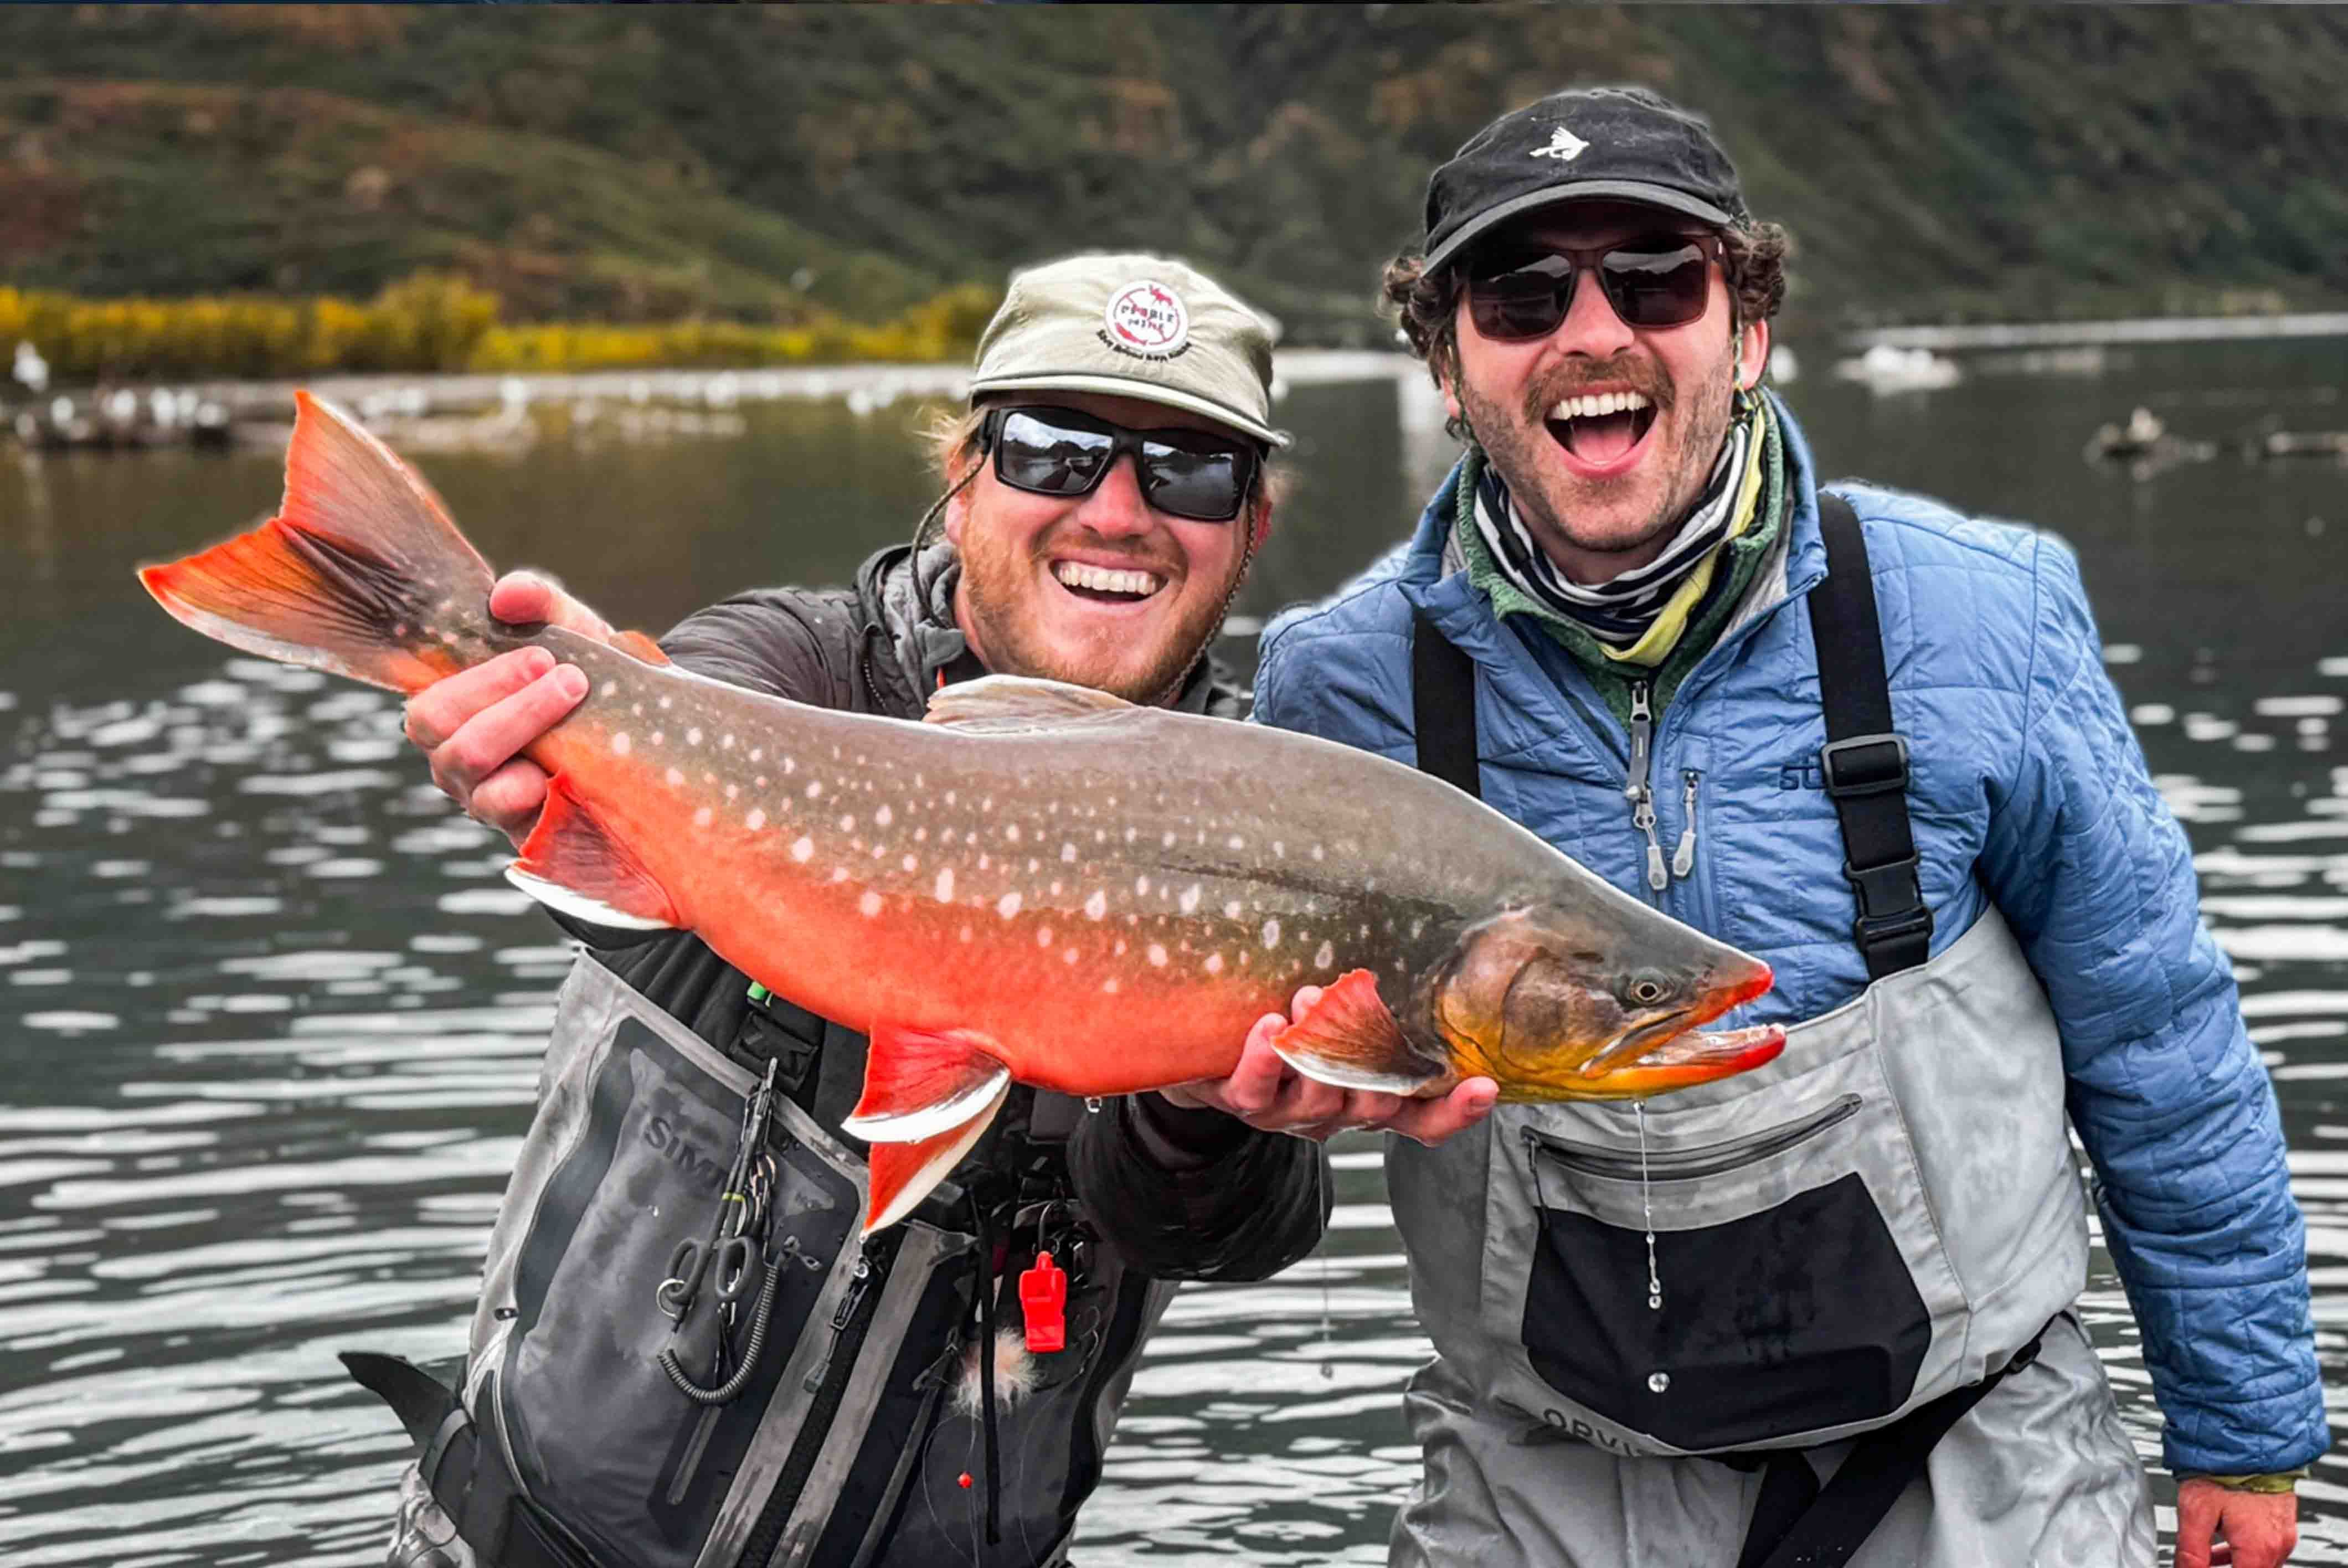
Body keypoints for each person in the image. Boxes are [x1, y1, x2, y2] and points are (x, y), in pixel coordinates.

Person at [1250, 86, 2323, 1568]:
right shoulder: (1331, 687)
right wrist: (1229, 1112)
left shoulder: (1981, 614)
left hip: (1978, 1470)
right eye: (1520, 292)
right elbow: (1223, 1147)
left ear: (1746, 326)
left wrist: (2246, 1432)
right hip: (1542, 1482)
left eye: (1654, 277)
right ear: (1447, 362)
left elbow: (2159, 1047)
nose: (1590, 329)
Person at [357, 252, 1475, 1568]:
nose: (1116, 510)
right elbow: (646, 868)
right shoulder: (790, 670)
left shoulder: (1281, 818)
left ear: (1250, 526)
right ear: (961, 481)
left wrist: (1195, 1105)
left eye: (1188, 471)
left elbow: (1242, 1232)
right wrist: (570, 728)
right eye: (1054, 450)